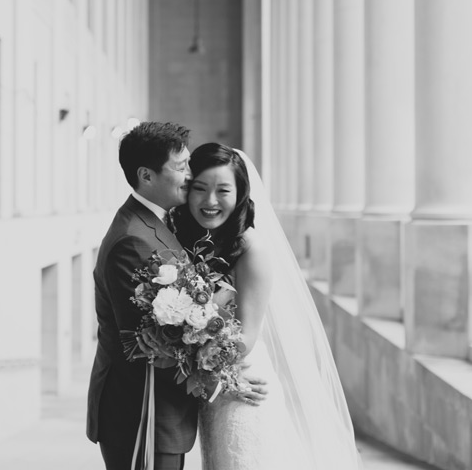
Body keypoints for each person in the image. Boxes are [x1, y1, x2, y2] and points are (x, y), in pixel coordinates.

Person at [172, 143, 363, 469]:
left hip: (243, 390)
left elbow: (244, 340)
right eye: (200, 189)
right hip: (218, 389)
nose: (210, 201)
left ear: (241, 193)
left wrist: (179, 347)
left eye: (223, 190)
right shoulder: (192, 240)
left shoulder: (251, 248)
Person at [87, 121, 197, 470]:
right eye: (180, 168)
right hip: (139, 413)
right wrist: (221, 381)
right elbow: (148, 344)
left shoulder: (156, 220)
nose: (190, 176)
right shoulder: (132, 240)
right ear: (146, 176)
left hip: (158, 413)